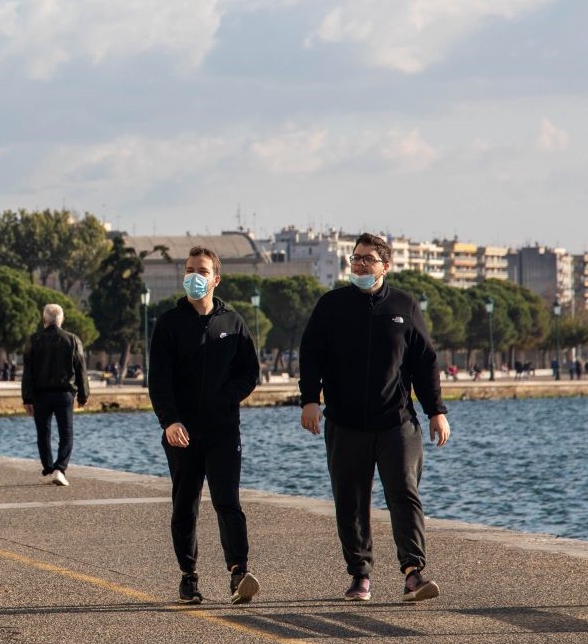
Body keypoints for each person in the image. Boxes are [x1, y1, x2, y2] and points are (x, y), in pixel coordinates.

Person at [299, 232, 450, 604]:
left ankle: (413, 573)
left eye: (368, 259)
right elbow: (310, 354)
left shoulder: (404, 305)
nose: (360, 264)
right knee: (350, 500)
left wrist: (436, 412)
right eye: (356, 258)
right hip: (345, 422)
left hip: (396, 422)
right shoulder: (332, 305)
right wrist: (309, 400)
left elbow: (425, 362)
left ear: (385, 265)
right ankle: (360, 574)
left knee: (404, 493)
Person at [148, 245, 262, 605]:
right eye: (189, 269)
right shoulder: (169, 323)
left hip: (224, 430)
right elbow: (159, 381)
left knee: (228, 501)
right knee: (186, 505)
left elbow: (249, 373)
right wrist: (170, 421)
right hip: (182, 433)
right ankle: (189, 576)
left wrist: (226, 397)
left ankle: (238, 573)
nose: (193, 276)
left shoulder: (234, 322)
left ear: (216, 278)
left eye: (201, 270)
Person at [20, 303, 88, 486]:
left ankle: (49, 468)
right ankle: (60, 468)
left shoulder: (33, 340)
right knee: (66, 434)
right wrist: (83, 395)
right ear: (62, 320)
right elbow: (81, 368)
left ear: (44, 320)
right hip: (64, 394)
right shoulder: (73, 340)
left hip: (40, 395)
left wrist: (26, 397)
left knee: (43, 433)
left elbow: (28, 372)